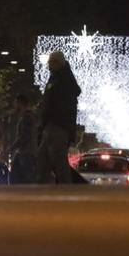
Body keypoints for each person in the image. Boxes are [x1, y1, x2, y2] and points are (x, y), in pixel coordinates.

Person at [36, 51, 80, 184]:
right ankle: (44, 185)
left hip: (58, 126)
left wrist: (49, 115)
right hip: (51, 125)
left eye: (51, 62)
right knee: (44, 159)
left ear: (57, 63)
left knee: (58, 160)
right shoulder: (55, 78)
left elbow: (61, 106)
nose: (49, 65)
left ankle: (64, 187)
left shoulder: (63, 81)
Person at [9, 92, 39, 184]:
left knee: (27, 177)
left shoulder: (27, 117)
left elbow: (24, 136)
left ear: (20, 103)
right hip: (24, 152)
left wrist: (12, 147)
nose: (14, 106)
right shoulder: (26, 116)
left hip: (27, 152)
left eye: (16, 103)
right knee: (19, 176)